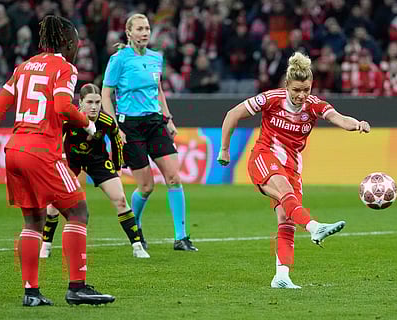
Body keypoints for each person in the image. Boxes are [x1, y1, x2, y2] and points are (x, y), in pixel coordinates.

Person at [0, 15, 115, 306]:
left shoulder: (23, 67)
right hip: (41, 151)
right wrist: (87, 123)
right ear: (67, 43)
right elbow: (62, 106)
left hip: (14, 151)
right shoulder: (64, 67)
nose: (77, 48)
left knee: (33, 220)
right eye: (76, 43)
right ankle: (77, 287)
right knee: (78, 211)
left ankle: (31, 293)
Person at [218, 52, 371, 289]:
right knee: (285, 192)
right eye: (297, 90)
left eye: (306, 90)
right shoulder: (270, 99)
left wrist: (357, 124)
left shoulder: (314, 106)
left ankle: (281, 276)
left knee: (286, 219)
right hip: (264, 157)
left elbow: (339, 118)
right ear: (287, 85)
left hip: (293, 166)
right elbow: (232, 114)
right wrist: (225, 149)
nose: (301, 95)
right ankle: (314, 227)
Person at [101, 13, 197, 251]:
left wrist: (168, 119)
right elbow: (105, 94)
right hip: (130, 126)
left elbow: (159, 91)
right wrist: (115, 128)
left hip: (155, 122)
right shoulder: (119, 60)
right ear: (129, 32)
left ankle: (181, 237)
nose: (145, 32)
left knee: (174, 177)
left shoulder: (156, 58)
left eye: (147, 29)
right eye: (140, 29)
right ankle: (137, 226)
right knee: (146, 186)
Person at [40, 83, 150, 259]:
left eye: (98, 102)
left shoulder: (106, 121)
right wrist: (55, 161)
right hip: (72, 161)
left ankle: (137, 246)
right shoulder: (68, 118)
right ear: (80, 102)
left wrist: (117, 166)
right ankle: (46, 245)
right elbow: (54, 138)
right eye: (90, 102)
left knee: (121, 200)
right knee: (54, 203)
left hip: (97, 161)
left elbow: (116, 141)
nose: (94, 106)